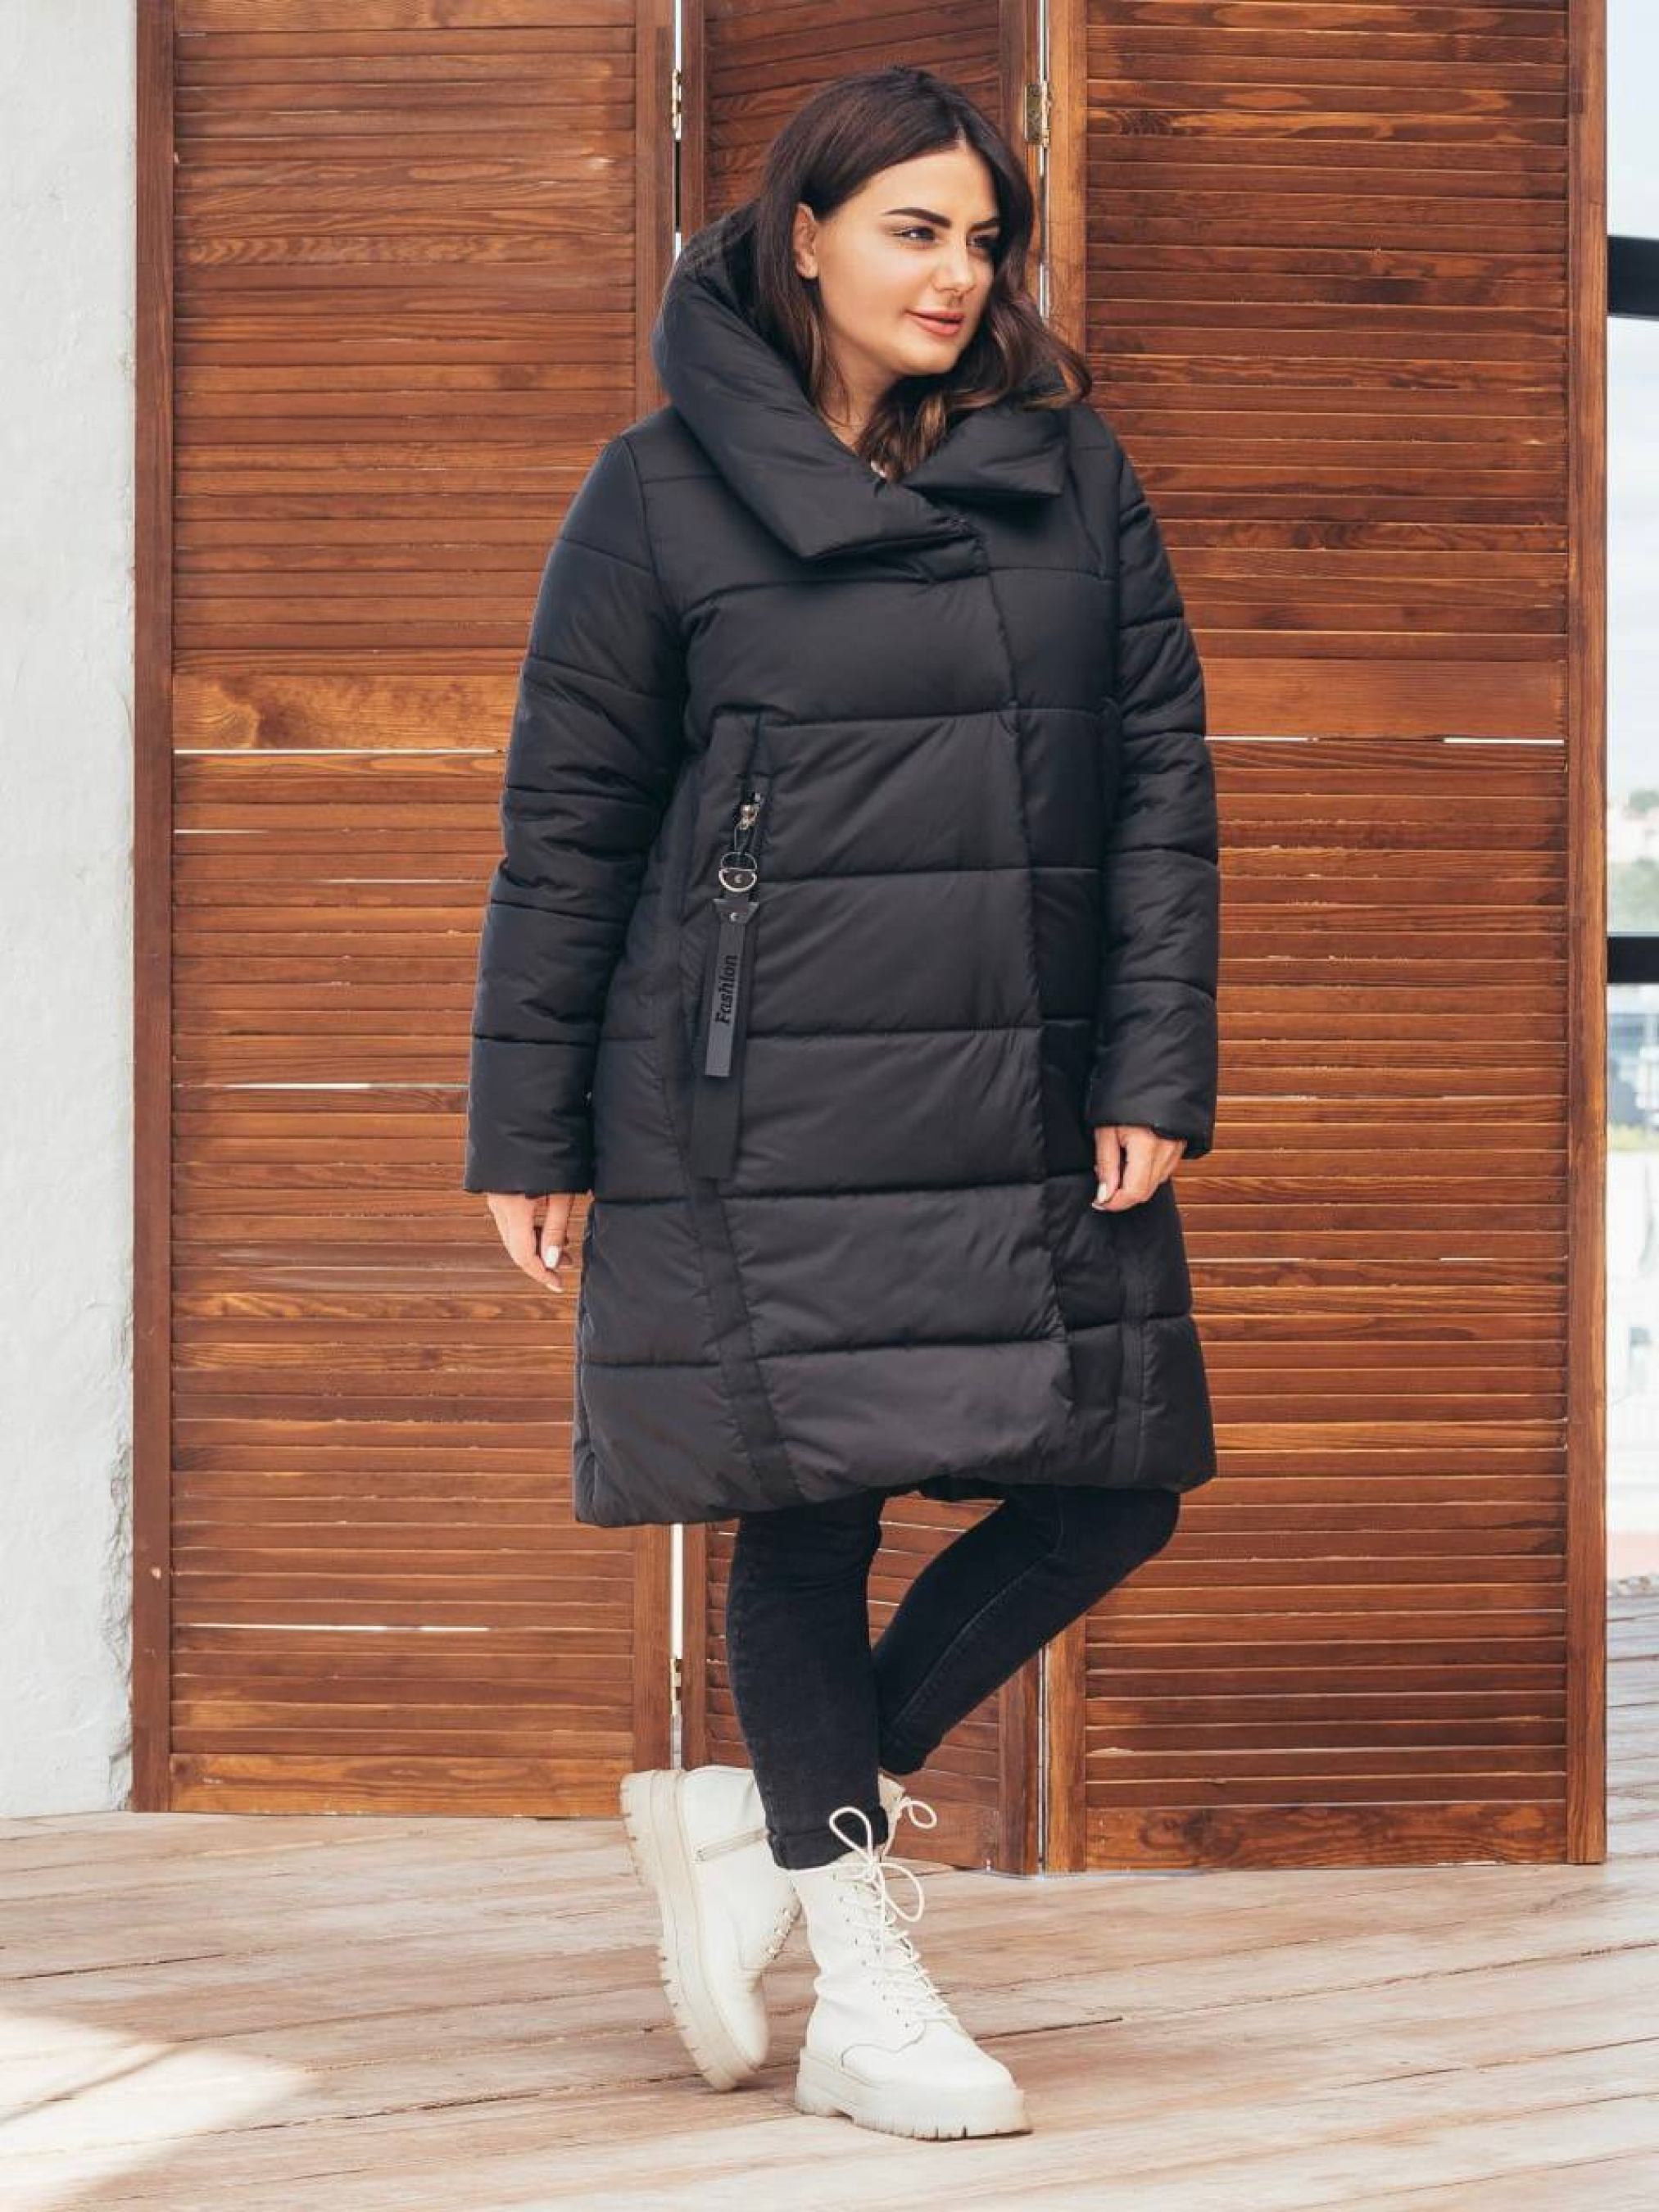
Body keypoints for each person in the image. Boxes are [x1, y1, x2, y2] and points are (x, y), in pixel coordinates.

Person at [463, 64, 1221, 2143]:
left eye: (983, 238)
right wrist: (528, 1126)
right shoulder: (654, 492)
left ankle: (777, 1818)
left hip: (1029, 1079)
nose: (958, 274)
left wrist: (1153, 1061)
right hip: (759, 1092)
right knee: (804, 1512)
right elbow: (567, 829)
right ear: (800, 236)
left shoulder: (1072, 473)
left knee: (1113, 1486)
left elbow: (1160, 789)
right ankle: (862, 1991)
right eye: (913, 228)